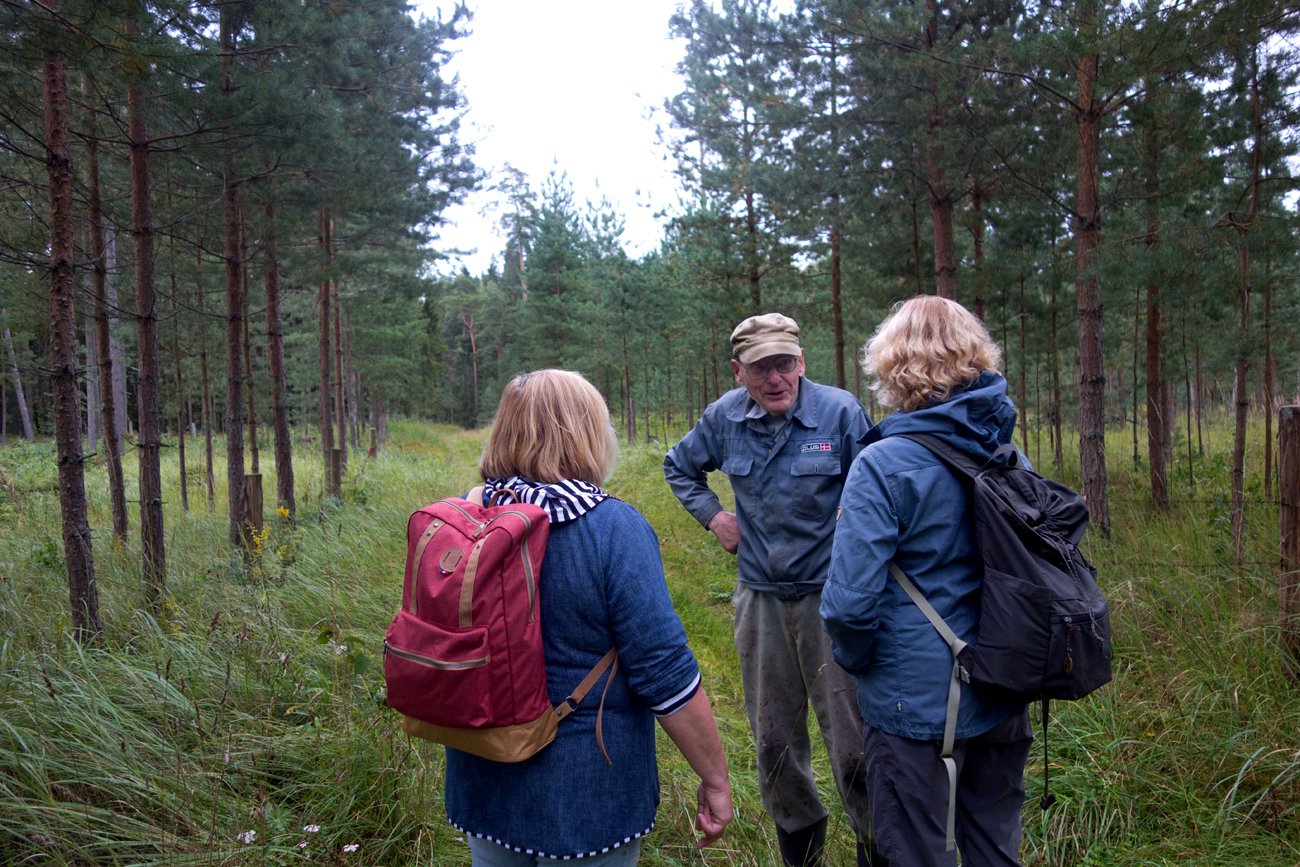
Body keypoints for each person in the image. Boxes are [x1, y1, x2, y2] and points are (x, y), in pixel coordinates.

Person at [444, 369, 733, 866]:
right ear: (587, 434)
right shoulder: (612, 529)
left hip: (483, 772)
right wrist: (716, 778)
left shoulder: (466, 521)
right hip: (588, 797)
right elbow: (665, 674)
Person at [821, 296, 1033, 867]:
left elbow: (847, 604)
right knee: (996, 846)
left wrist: (860, 661)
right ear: (975, 358)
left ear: (894, 368)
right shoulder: (1009, 452)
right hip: (1003, 682)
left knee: (915, 850)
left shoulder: (882, 464)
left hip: (912, 705)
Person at [663, 313, 877, 867]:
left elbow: (878, 489)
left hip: (834, 602)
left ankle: (877, 846)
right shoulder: (724, 419)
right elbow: (678, 467)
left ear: (801, 362)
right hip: (759, 600)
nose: (775, 377)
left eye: (785, 363)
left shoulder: (840, 412)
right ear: (740, 372)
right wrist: (714, 518)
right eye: (761, 367)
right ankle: (800, 852)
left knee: (854, 744)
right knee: (775, 744)